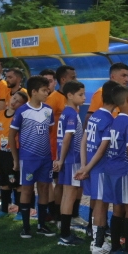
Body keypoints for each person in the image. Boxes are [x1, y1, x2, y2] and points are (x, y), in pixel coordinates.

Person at [9, 76, 56, 238]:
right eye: (44, 90)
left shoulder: (48, 110)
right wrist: (16, 159)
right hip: (28, 159)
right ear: (34, 92)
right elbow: (12, 135)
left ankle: (41, 225)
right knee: (27, 189)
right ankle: (26, 227)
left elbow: (49, 131)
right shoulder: (22, 111)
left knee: (44, 189)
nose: (47, 93)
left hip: (45, 158)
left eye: (48, 90)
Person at [76, 80, 118, 254]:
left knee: (99, 203)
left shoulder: (94, 115)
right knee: (101, 205)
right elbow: (101, 150)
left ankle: (97, 241)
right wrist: (86, 168)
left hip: (92, 167)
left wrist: (84, 165)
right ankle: (97, 245)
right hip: (100, 169)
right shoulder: (109, 120)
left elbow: (84, 141)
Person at [104, 85, 128, 254]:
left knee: (117, 208)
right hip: (124, 169)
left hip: (112, 168)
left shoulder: (114, 120)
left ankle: (115, 247)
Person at [51, 81, 85, 246]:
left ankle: (64, 231)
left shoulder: (66, 112)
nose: (84, 98)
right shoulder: (71, 113)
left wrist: (60, 158)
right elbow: (67, 138)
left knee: (67, 195)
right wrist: (61, 159)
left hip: (68, 160)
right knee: (70, 196)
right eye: (80, 94)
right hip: (72, 160)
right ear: (70, 95)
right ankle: (65, 235)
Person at [47, 65, 79, 225]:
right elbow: (46, 123)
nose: (76, 79)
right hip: (57, 149)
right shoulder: (53, 98)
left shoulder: (71, 103)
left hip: (66, 150)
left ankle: (67, 215)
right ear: (64, 79)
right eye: (73, 77)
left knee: (67, 185)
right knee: (60, 184)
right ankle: (58, 216)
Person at [0, 91, 28, 217]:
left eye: (18, 101)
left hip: (14, 154)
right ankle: (4, 209)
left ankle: (20, 210)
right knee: (4, 182)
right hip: (2, 154)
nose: (14, 102)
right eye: (14, 98)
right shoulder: (0, 114)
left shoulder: (20, 117)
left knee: (17, 183)